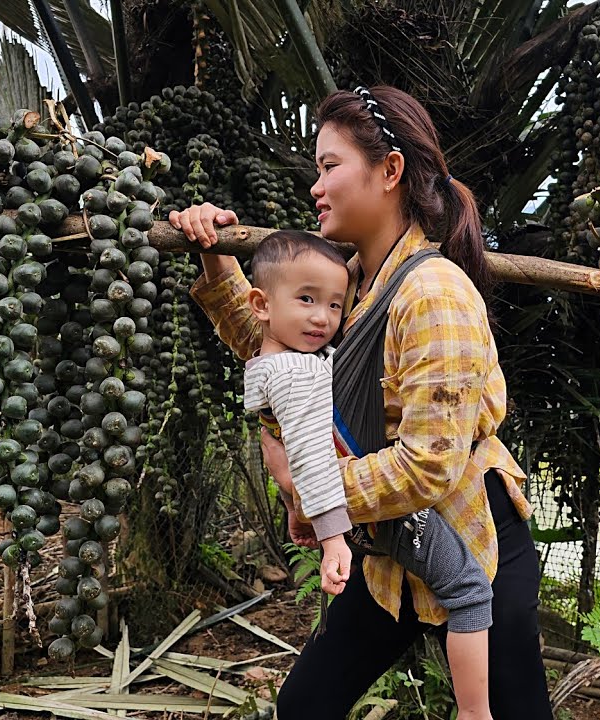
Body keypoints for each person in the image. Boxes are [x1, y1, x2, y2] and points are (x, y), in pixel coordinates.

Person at [169, 85, 553, 720]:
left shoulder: (434, 294)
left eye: (329, 166)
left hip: (470, 546)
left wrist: (311, 491)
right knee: (305, 706)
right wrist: (214, 262)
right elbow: (279, 355)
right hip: (389, 553)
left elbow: (429, 465)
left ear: (390, 171)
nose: (315, 187)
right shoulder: (350, 282)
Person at [234, 228, 496, 720]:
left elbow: (292, 448)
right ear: (262, 305)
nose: (323, 317)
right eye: (307, 300)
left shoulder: (279, 359)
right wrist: (333, 535)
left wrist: (298, 507)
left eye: (335, 306)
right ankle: (475, 712)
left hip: (358, 505)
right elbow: (310, 455)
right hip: (380, 511)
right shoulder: (294, 375)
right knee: (468, 588)